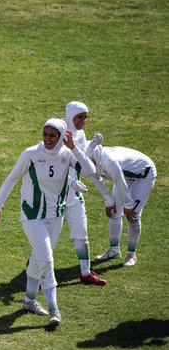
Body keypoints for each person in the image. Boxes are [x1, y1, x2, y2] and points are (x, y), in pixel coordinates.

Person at [0, 119, 96, 326]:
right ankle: (55, 310)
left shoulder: (67, 154)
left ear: (62, 136)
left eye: (52, 135)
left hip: (56, 215)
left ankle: (29, 301)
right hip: (32, 216)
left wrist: (74, 147)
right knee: (47, 260)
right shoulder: (31, 154)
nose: (47, 139)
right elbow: (11, 179)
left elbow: (90, 170)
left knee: (39, 260)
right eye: (45, 134)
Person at [86, 136, 156, 267]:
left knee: (132, 215)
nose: (87, 166)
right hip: (124, 175)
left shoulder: (110, 161)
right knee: (113, 212)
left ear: (93, 156)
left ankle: (131, 254)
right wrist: (108, 200)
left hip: (144, 174)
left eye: (89, 162)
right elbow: (95, 179)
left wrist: (129, 205)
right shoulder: (87, 161)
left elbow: (120, 182)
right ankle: (114, 250)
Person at [61, 101, 106, 285]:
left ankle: (85, 273)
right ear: (71, 114)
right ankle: (36, 261)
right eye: (80, 116)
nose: (83, 121)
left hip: (74, 194)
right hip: (55, 193)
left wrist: (92, 146)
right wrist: (70, 182)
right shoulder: (59, 132)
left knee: (81, 232)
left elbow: (82, 157)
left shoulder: (79, 133)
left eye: (86, 117)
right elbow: (50, 165)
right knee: (48, 235)